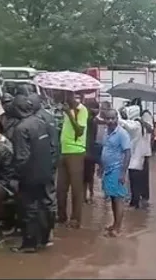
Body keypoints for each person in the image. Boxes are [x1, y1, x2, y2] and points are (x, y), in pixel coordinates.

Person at [10, 95, 54, 253]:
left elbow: (22, 157)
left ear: (17, 109)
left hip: (30, 174)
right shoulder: (40, 122)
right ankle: (44, 238)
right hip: (45, 171)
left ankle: (29, 244)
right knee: (44, 205)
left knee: (29, 208)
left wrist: (15, 176)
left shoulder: (21, 128)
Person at [28, 93, 58, 247]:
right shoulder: (38, 118)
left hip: (45, 166)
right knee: (42, 200)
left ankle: (48, 233)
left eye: (31, 103)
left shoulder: (45, 119)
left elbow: (53, 145)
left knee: (47, 199)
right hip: (41, 166)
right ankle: (42, 233)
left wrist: (51, 165)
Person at [56, 91, 88, 229]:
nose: (71, 98)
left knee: (76, 188)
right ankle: (61, 216)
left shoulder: (82, 110)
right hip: (63, 151)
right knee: (60, 188)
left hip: (76, 152)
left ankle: (75, 219)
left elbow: (80, 131)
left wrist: (69, 113)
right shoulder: (65, 109)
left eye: (74, 96)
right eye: (69, 96)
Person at [100, 109, 131, 237]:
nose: (111, 121)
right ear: (105, 120)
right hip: (108, 170)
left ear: (117, 118)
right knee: (112, 197)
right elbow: (105, 149)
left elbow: (128, 153)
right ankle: (114, 224)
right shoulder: (106, 132)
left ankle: (118, 228)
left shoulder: (122, 134)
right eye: (108, 118)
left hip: (117, 170)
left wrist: (123, 173)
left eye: (113, 118)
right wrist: (101, 167)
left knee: (118, 198)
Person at [118, 106, 146, 209]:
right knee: (135, 182)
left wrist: (118, 115)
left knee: (134, 182)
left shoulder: (137, 124)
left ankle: (135, 203)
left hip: (135, 158)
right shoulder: (140, 124)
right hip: (137, 157)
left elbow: (126, 125)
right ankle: (134, 202)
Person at [83, 100, 100, 204]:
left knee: (87, 175)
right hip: (89, 151)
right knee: (88, 175)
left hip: (87, 151)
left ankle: (88, 194)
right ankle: (89, 195)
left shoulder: (92, 120)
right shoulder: (92, 120)